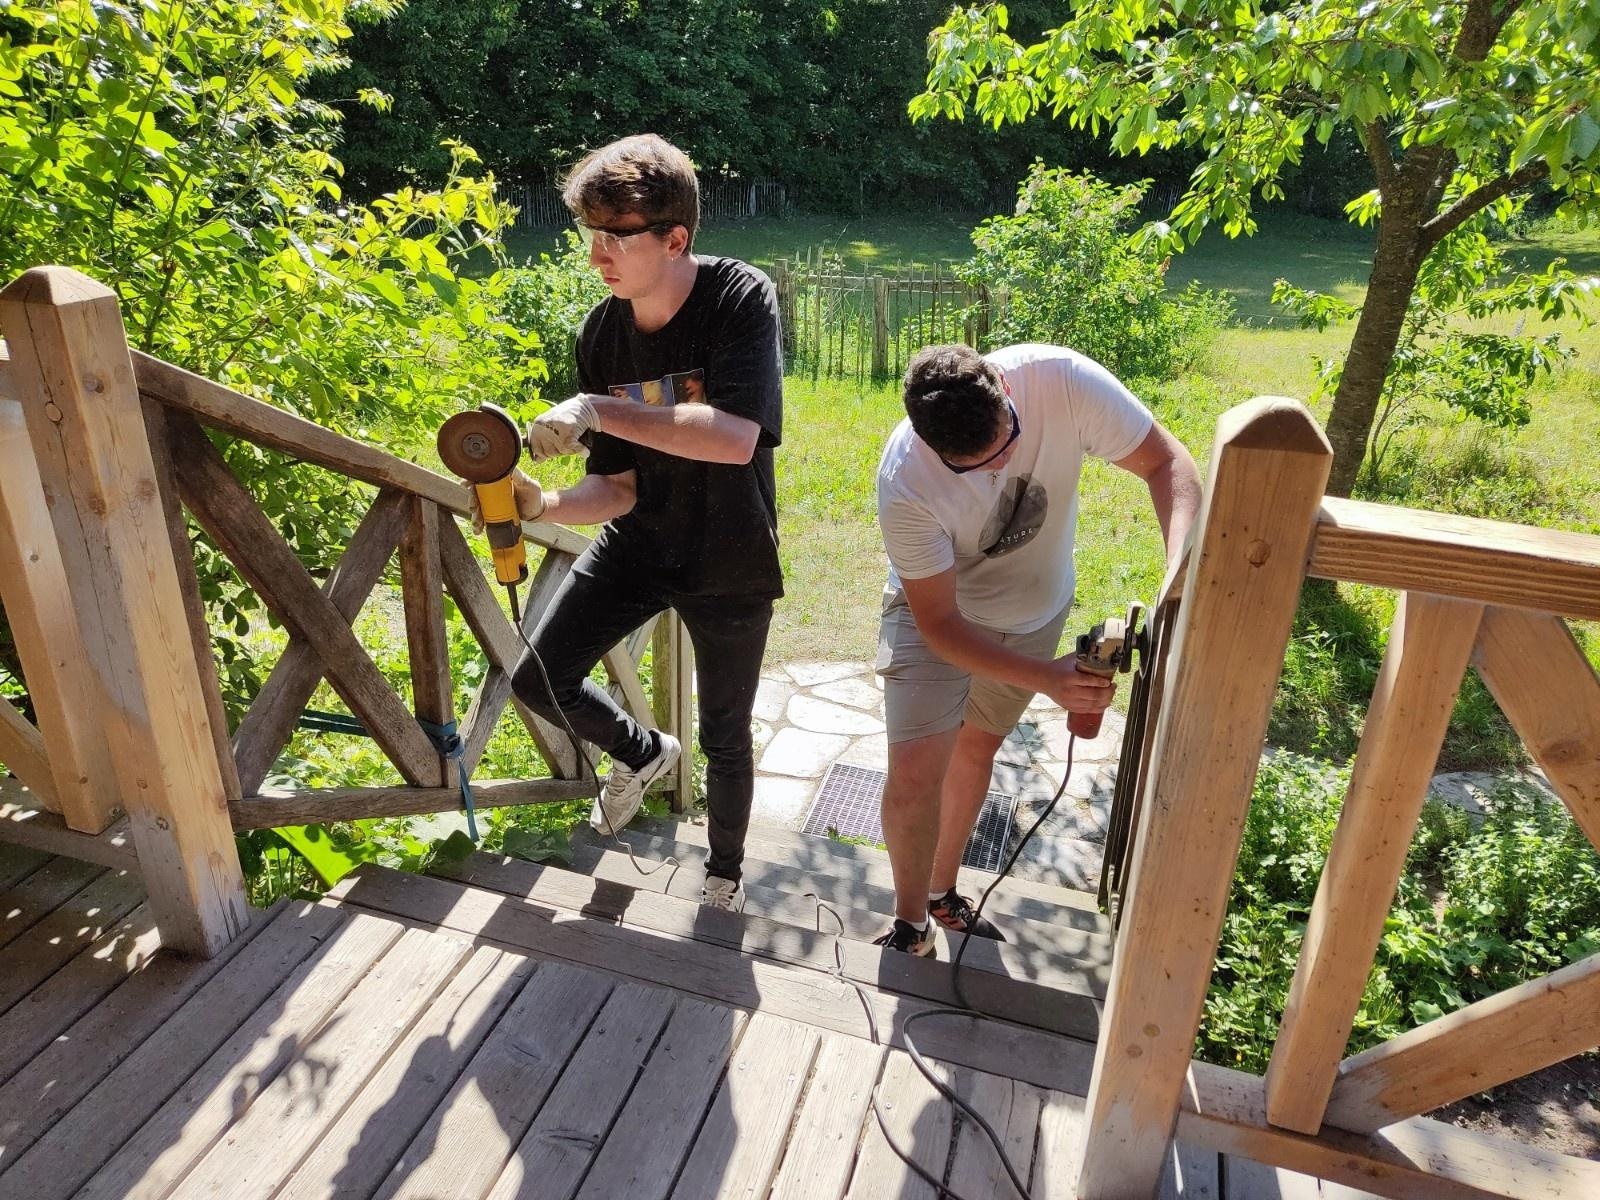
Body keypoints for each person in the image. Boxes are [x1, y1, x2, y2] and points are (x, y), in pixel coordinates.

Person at [491, 134, 783, 912]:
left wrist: (597, 408)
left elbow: (733, 438)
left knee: (727, 733)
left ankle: (723, 877)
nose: (597, 257)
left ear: (675, 238)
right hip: (640, 541)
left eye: (615, 238)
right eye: (592, 236)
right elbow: (615, 486)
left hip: (730, 551)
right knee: (539, 677)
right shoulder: (602, 333)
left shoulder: (739, 299)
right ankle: (642, 751)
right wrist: (544, 507)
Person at [872, 342, 1200, 955]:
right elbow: (939, 626)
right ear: (927, 441)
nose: (1002, 465)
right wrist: (1044, 677)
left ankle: (942, 893)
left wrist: (1176, 580)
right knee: (916, 774)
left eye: (1010, 439)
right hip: (935, 616)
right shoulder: (905, 479)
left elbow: (1167, 464)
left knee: (975, 749)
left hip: (1032, 613)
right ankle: (910, 922)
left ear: (1003, 386)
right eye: (972, 467)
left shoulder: (1064, 381)